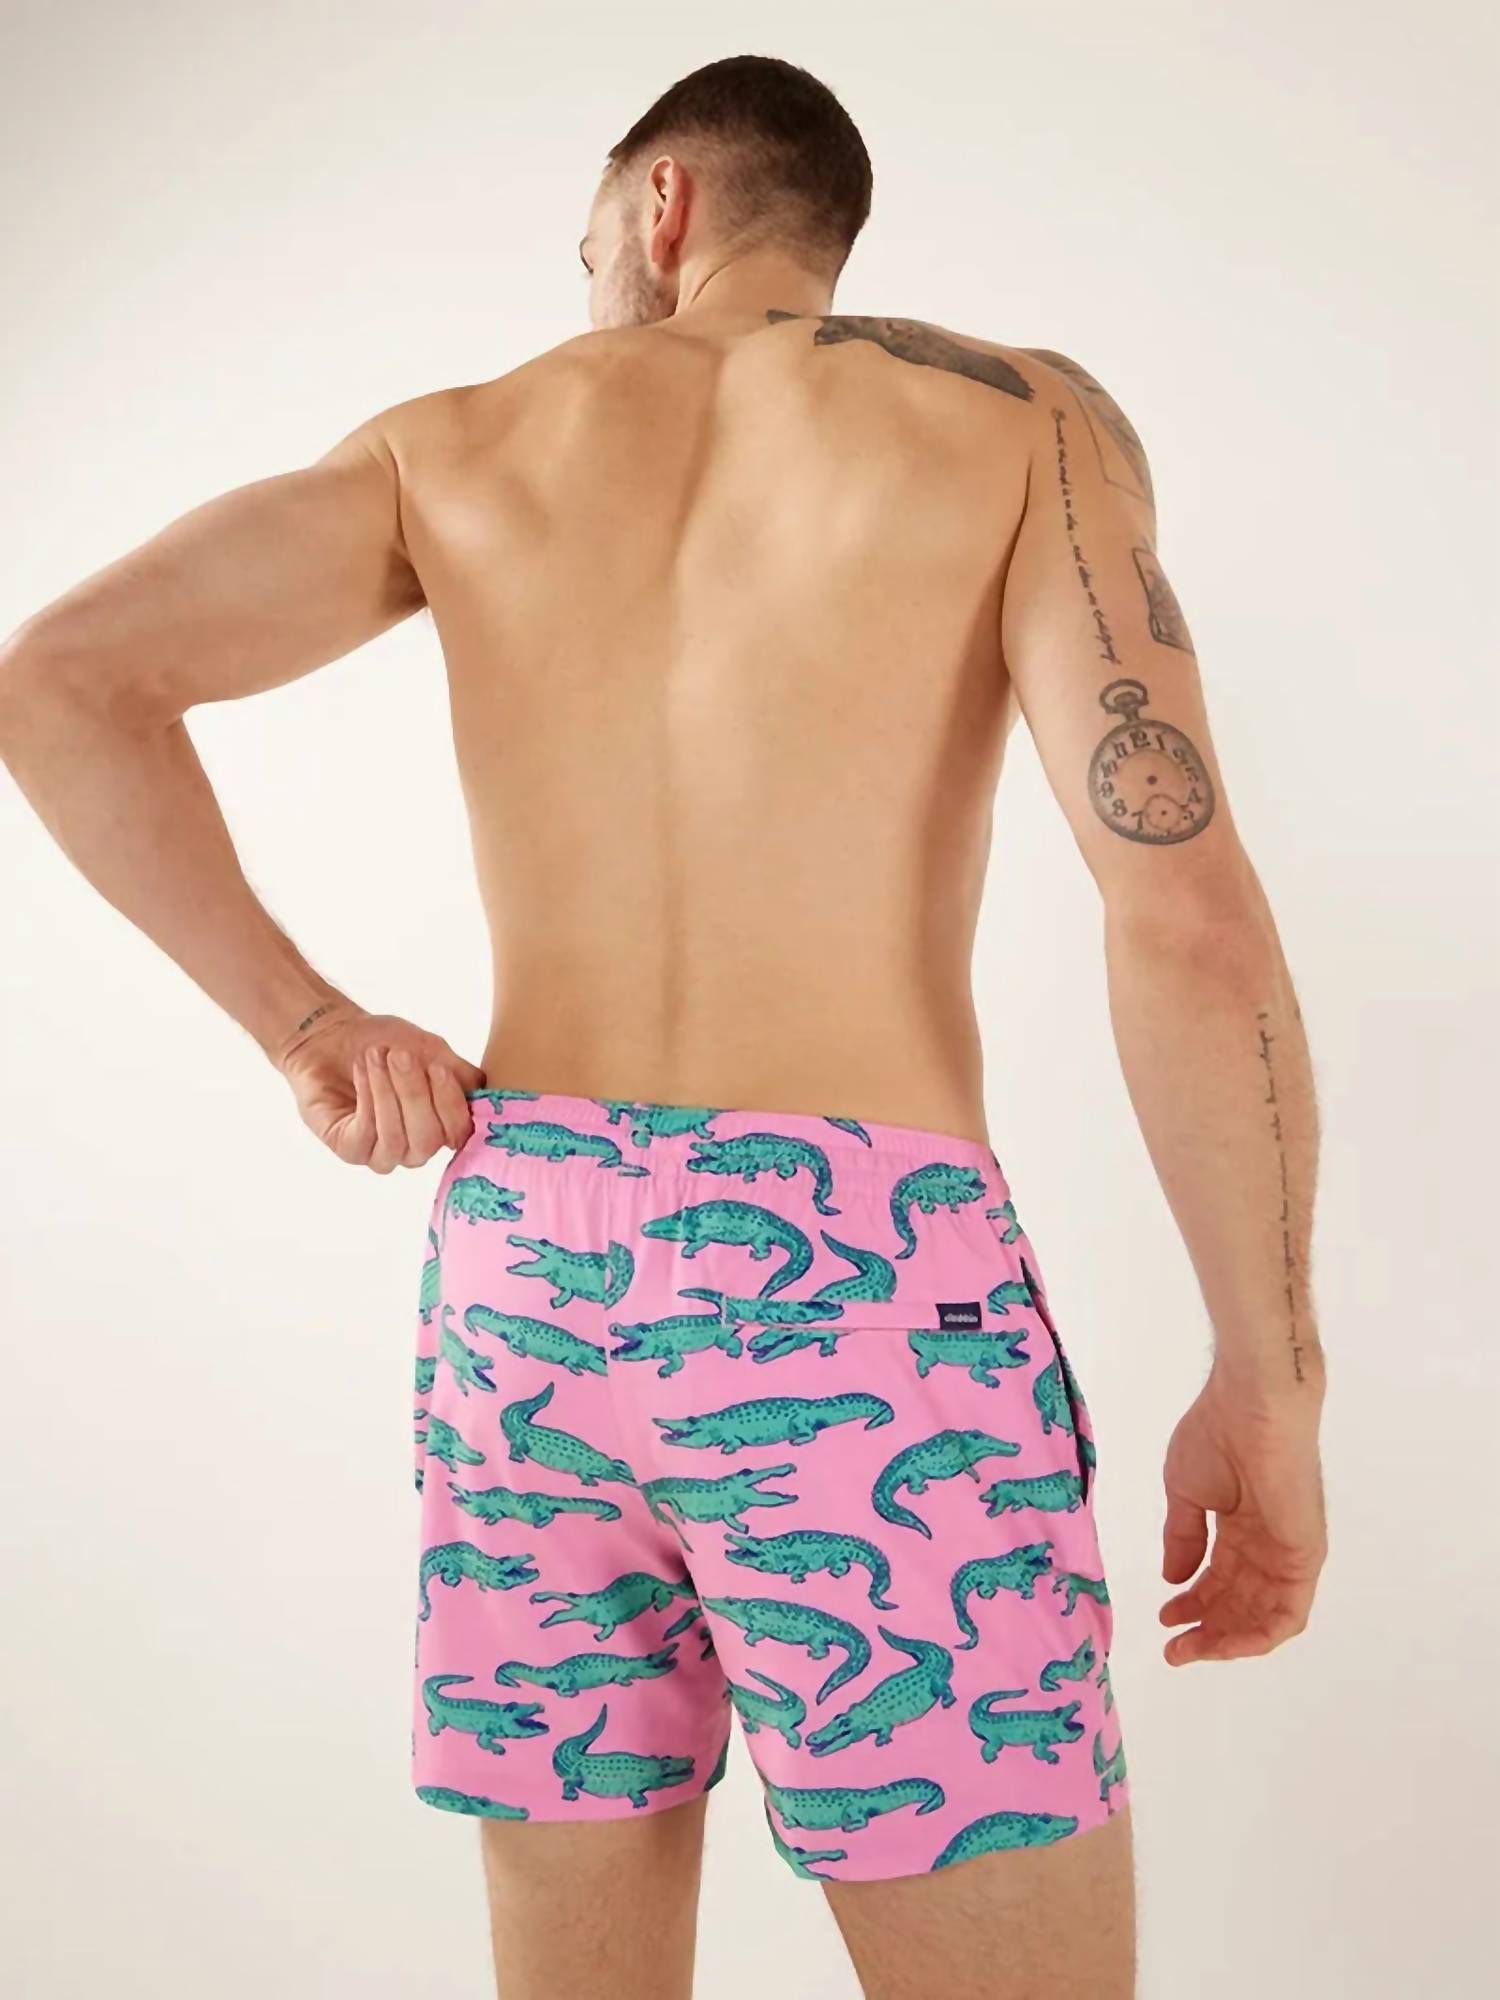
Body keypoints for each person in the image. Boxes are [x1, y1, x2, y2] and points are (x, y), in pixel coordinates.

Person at [0, 51, 1327, 2000]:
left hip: (523, 1272)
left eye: (585, 248)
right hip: (857, 1283)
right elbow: (1185, 917)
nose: (588, 289)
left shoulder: (453, 445)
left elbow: (60, 680)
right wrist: (1271, 1381)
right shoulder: (1017, 424)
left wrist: (310, 1027)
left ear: (663, 204)